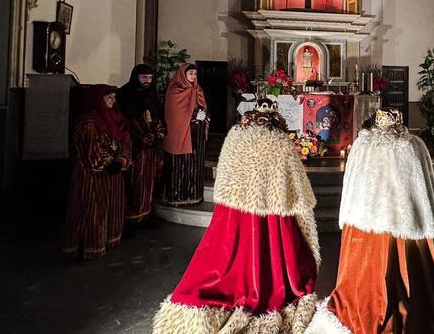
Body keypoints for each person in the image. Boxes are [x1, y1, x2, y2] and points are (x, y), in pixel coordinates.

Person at [153, 105, 320, 333]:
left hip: (235, 216)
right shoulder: (279, 143)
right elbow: (297, 188)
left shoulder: (234, 139)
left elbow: (225, 180)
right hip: (272, 217)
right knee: (273, 259)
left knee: (227, 259)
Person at [306, 108, 434, 334]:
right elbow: (425, 193)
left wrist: (347, 217)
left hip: (364, 224)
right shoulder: (413, 145)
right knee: (410, 272)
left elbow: (351, 187)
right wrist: (427, 222)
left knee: (365, 274)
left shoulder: (364, 146)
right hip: (405, 227)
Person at [62, 84, 132, 260]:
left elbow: (125, 142)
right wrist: (110, 161)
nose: (112, 100)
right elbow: (91, 152)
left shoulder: (116, 119)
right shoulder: (89, 123)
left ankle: (108, 240)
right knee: (92, 210)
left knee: (111, 209)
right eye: (108, 97)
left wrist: (122, 160)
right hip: (92, 176)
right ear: (97, 100)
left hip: (113, 175)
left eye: (114, 97)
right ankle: (87, 245)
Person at [118, 64, 166, 223]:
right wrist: (143, 135)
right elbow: (126, 120)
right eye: (144, 77)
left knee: (149, 180)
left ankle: (145, 213)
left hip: (151, 148)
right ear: (136, 77)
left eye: (150, 78)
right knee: (135, 181)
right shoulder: (126, 93)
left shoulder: (151, 94)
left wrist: (157, 132)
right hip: (135, 146)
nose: (148, 81)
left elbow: (157, 115)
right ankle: (131, 217)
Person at [162, 63, 208, 206]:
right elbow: (176, 114)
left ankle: (194, 195)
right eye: (190, 74)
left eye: (195, 74)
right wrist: (194, 116)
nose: (193, 76)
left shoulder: (197, 88)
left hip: (195, 134)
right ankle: (177, 197)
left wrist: (203, 114)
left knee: (194, 164)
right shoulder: (175, 90)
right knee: (180, 165)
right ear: (183, 74)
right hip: (180, 133)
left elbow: (203, 106)